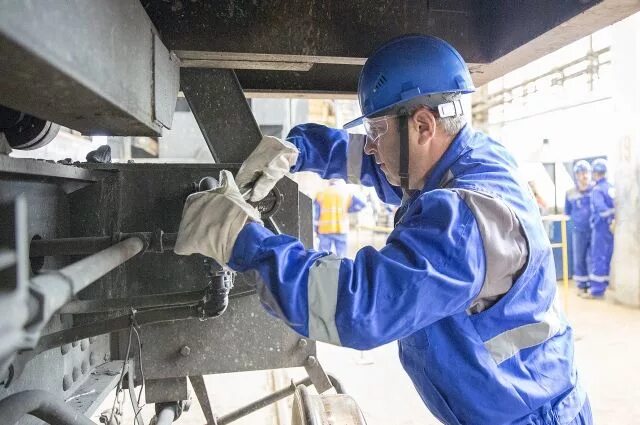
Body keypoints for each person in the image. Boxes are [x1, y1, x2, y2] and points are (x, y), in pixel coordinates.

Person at [174, 35, 591, 424]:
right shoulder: (465, 158)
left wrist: (238, 237)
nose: (371, 145)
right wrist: (299, 150)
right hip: (514, 403)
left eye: (376, 131)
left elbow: (358, 307)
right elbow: (373, 161)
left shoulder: (464, 223)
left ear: (424, 125)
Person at [314, 179, 365, 257]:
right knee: (341, 256)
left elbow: (316, 213)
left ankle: (324, 265)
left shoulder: (322, 193)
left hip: (325, 229)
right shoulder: (346, 193)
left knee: (323, 256)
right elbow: (361, 205)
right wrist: (348, 210)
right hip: (341, 229)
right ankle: (342, 265)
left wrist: (315, 228)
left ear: (329, 182)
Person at [565, 160, 593, 295]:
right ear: (576, 175)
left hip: (594, 230)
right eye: (581, 173)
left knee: (593, 258)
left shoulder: (596, 190)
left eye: (586, 172)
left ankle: (593, 285)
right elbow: (567, 212)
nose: (584, 176)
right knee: (579, 258)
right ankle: (582, 285)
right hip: (578, 230)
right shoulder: (570, 192)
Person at [588, 158, 615, 299]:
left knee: (598, 257)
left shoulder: (597, 190)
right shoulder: (611, 187)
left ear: (594, 173)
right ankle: (604, 285)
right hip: (612, 228)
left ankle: (597, 290)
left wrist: (607, 218)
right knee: (607, 256)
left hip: (600, 227)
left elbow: (601, 210)